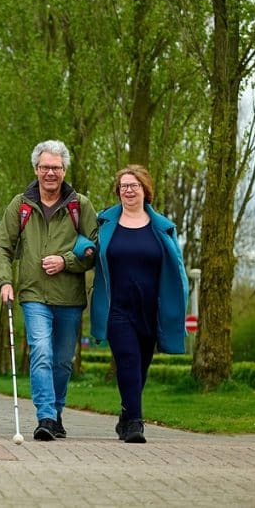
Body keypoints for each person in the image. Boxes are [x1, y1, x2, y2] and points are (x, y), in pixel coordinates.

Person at [0, 139, 97, 441]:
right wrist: (4, 280)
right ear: (36, 169)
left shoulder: (81, 206)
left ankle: (57, 410)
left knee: (63, 360)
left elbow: (93, 248)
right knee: (40, 351)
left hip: (69, 296)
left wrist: (66, 262)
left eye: (56, 167)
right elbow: (2, 247)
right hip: (33, 294)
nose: (50, 172)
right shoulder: (20, 205)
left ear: (64, 170)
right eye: (45, 167)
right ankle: (46, 417)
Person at [89, 165, 189, 443]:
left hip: (150, 310)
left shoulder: (163, 228)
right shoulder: (104, 222)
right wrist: (80, 249)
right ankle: (135, 423)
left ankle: (126, 412)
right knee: (128, 361)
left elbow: (177, 270)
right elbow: (84, 244)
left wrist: (180, 302)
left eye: (134, 186)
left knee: (140, 366)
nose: (128, 191)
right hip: (117, 309)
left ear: (145, 190)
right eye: (123, 186)